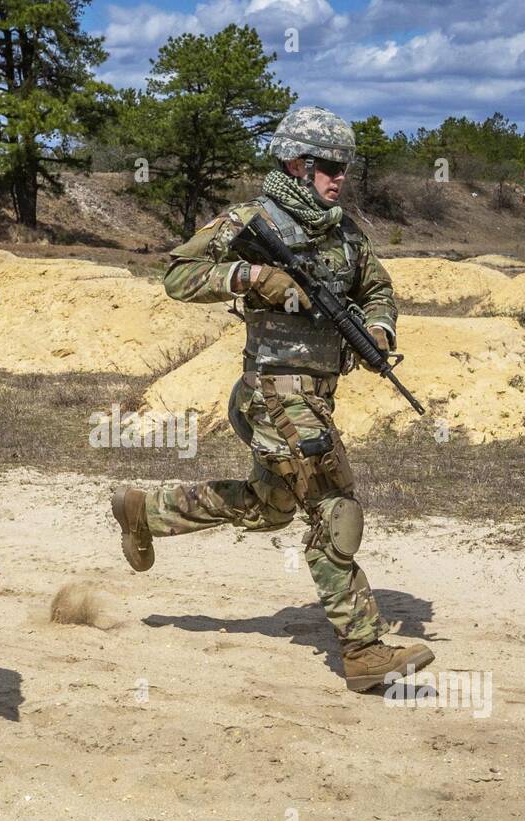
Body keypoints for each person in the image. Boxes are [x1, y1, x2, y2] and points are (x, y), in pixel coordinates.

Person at [110, 107, 434, 693]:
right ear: (296, 163)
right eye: (329, 166)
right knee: (334, 506)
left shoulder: (342, 232)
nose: (340, 177)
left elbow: (378, 288)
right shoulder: (250, 220)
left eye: (344, 167)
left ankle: (145, 509)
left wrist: (380, 331)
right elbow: (178, 276)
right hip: (272, 391)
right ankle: (362, 650)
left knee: (270, 507)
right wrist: (249, 278)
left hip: (317, 395)